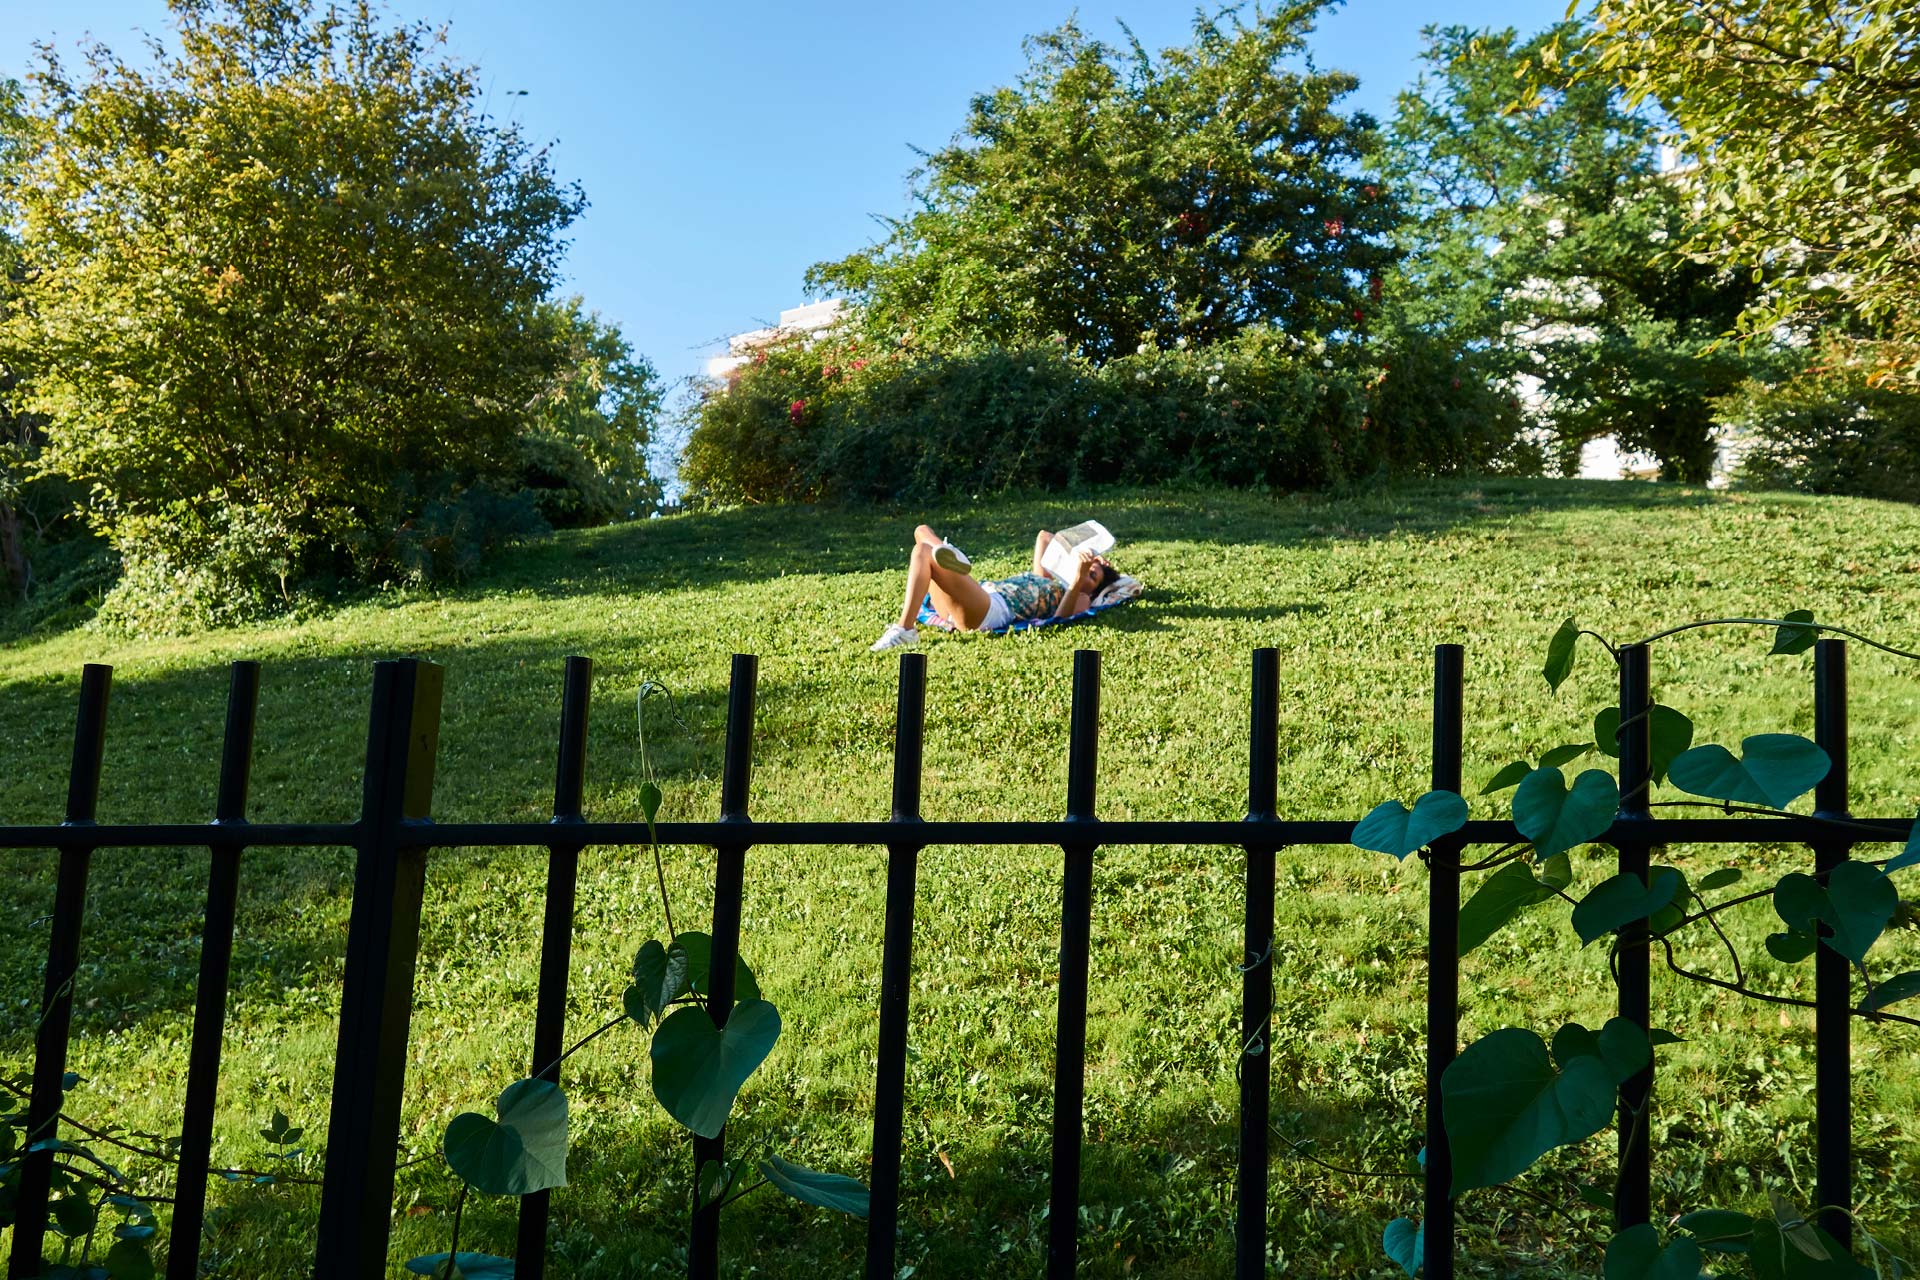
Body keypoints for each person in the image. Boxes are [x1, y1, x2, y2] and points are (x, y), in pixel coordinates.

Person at [870, 525, 1118, 651]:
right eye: (1089, 568)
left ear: (1094, 589)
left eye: (1093, 575)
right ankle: (949, 554)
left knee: (923, 552)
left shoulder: (1080, 595)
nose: (1087, 572)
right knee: (921, 533)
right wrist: (1088, 551)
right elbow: (1043, 536)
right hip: (974, 600)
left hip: (992, 610)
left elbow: (1059, 618)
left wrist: (1079, 579)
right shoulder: (1044, 579)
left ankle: (904, 629)